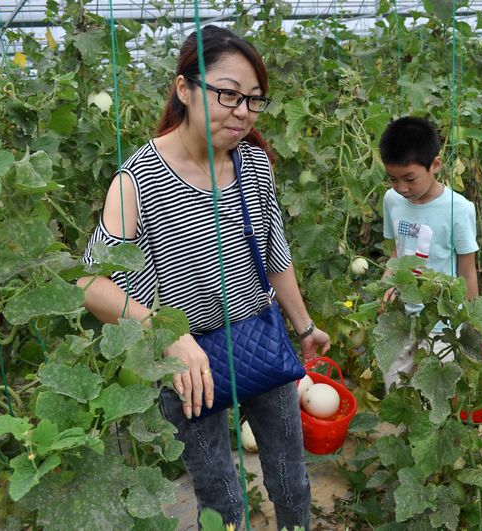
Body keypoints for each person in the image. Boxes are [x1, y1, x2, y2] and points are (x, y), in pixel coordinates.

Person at [77, 25, 330, 530]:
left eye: (253, 100)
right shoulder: (137, 179)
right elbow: (92, 284)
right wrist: (168, 335)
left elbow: (275, 254)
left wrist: (305, 327)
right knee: (220, 497)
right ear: (185, 89)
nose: (242, 112)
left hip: (258, 337)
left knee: (291, 479)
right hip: (186, 363)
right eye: (228, 94)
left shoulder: (252, 163)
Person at [378, 116, 479, 391]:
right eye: (393, 179)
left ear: (435, 164)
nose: (401, 188)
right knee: (395, 387)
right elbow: (396, 252)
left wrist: (471, 324)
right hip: (401, 315)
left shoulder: (459, 210)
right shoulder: (392, 200)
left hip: (442, 322)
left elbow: (467, 271)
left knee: (434, 393)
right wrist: (388, 282)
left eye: (410, 178)